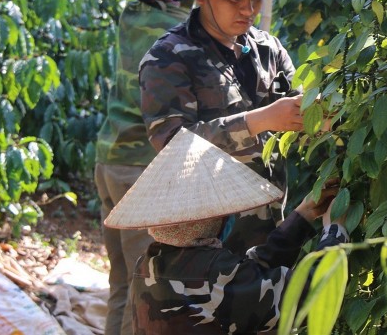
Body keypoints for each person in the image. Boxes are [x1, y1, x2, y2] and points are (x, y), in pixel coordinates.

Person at [139, 0, 303, 255]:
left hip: (268, 228)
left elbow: (298, 108)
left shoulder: (268, 48)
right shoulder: (169, 56)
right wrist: (258, 121)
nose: (248, 10)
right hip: (204, 245)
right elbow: (172, 146)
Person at [104, 128, 349, 334]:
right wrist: (335, 231)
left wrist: (301, 218)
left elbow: (245, 275)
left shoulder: (148, 263)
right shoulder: (215, 276)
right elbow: (308, 295)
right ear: (212, 220)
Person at [95, 0, 193, 335]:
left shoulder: (129, 15)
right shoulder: (173, 28)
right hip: (139, 169)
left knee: (121, 278)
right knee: (144, 286)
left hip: (108, 159)